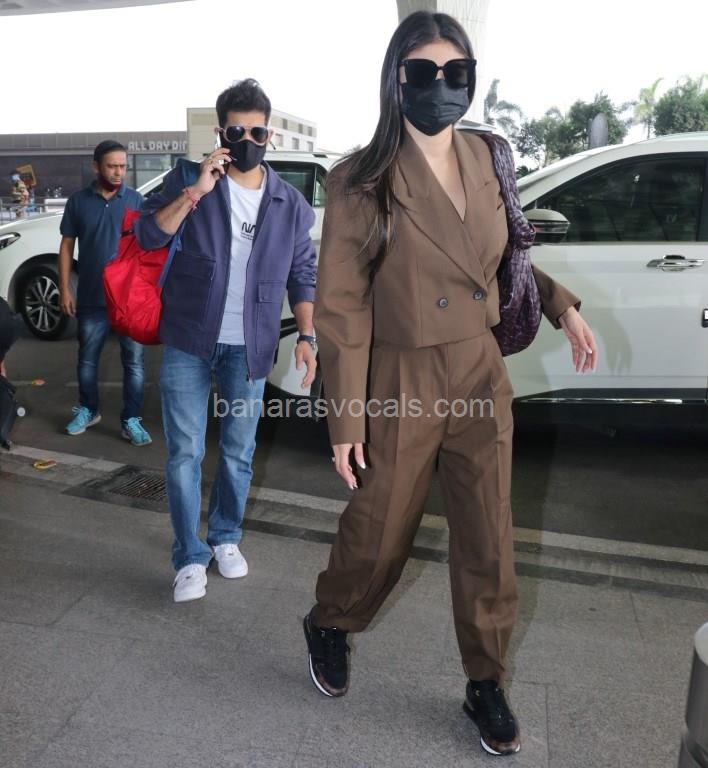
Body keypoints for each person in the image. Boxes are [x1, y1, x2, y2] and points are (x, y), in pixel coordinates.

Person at [303, 11, 598, 758]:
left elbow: (499, 258)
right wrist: (346, 420)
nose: (441, 85)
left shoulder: (488, 156)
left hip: (477, 368)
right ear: (396, 79)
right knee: (380, 529)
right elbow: (341, 306)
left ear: (471, 77)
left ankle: (485, 679)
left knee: (488, 533)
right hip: (402, 371)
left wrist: (560, 306)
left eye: (455, 71)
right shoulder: (360, 178)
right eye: (423, 71)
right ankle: (331, 619)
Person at [135, 79, 317, 603]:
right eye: (237, 132)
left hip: (249, 347)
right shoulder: (189, 182)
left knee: (239, 451)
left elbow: (302, 274)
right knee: (184, 453)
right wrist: (197, 189)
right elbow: (149, 235)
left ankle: (225, 536)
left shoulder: (289, 203)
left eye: (257, 132)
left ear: (269, 134)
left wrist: (307, 335)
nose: (248, 140)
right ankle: (188, 556)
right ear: (221, 133)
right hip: (189, 340)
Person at [58, 140, 151, 446]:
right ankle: (88, 410)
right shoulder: (78, 202)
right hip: (91, 297)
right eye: (112, 166)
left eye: (123, 166)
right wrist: (64, 288)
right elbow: (67, 245)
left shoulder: (136, 201)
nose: (118, 172)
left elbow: (148, 248)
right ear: (96, 167)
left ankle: (131, 419)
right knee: (87, 360)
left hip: (129, 301)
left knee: (134, 363)